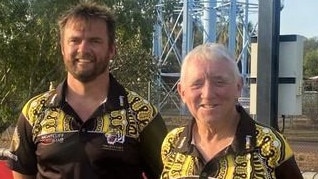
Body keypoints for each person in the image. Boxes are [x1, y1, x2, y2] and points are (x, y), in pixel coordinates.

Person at [7, 2, 168, 179]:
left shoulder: (142, 115)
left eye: (94, 41)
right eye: (74, 40)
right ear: (62, 48)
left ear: (112, 49)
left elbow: (166, 174)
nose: (83, 49)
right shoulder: (35, 111)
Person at [160, 43, 303, 179]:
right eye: (197, 84)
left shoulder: (270, 145)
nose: (208, 94)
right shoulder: (172, 143)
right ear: (182, 92)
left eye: (219, 82)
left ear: (238, 87)